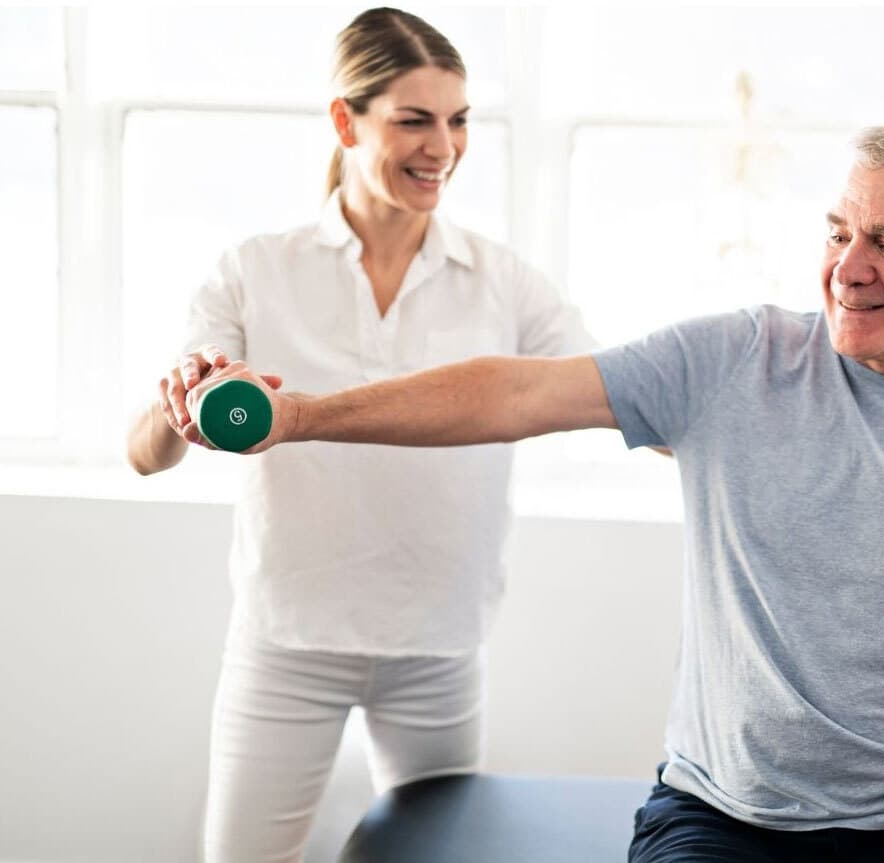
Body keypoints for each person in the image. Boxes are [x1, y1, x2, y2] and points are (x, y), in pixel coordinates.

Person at [176, 123, 884, 863]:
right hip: (725, 816)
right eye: (839, 231)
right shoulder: (734, 360)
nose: (847, 270)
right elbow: (514, 390)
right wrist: (297, 416)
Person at [126, 8, 592, 862]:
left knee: (439, 856)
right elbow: (145, 454)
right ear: (346, 121)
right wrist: (177, 403)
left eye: (457, 121)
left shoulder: (503, 282)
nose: (442, 147)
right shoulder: (257, 268)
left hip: (437, 643)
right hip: (287, 638)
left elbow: (606, 391)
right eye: (413, 119)